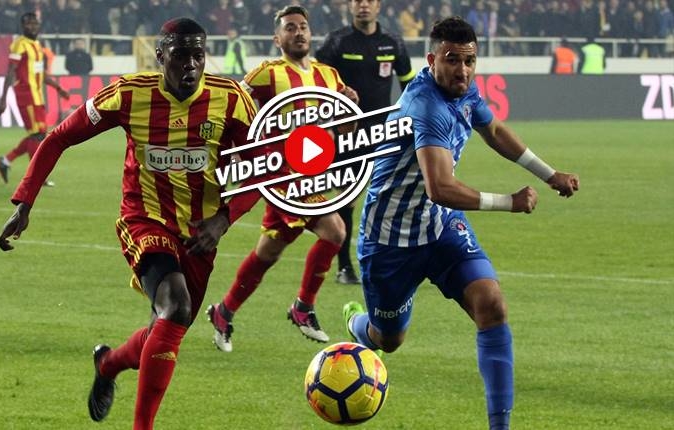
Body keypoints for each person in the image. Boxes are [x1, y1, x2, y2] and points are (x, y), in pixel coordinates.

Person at [0, 18, 260, 429]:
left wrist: (224, 219)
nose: (191, 64)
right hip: (144, 219)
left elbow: (265, 168)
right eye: (181, 55)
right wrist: (24, 202)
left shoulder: (232, 100)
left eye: (198, 55)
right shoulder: (129, 94)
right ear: (161, 56)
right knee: (176, 305)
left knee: (167, 327)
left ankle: (109, 364)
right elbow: (59, 136)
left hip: (200, 232)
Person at [343, 17, 579, 430]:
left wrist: (549, 174)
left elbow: (495, 131)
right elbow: (440, 187)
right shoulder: (425, 106)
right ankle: (358, 324)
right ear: (432, 60)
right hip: (390, 239)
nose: (463, 70)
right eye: (452, 60)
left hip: (440, 228)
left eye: (470, 61)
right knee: (389, 340)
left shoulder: (464, 90)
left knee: (492, 305)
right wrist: (509, 202)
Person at [206, 5, 359, 353]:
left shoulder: (329, 76)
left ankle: (223, 312)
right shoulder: (267, 74)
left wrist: (350, 104)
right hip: (278, 176)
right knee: (335, 231)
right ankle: (303, 307)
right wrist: (240, 151)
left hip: (311, 175)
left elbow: (345, 128)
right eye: (290, 28)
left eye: (303, 26)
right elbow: (233, 105)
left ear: (311, 33)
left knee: (269, 252)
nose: (298, 32)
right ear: (277, 39)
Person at [315, 0, 415, 285]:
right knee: (347, 199)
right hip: (348, 135)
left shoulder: (393, 43)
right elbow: (316, 86)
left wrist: (410, 123)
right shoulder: (336, 42)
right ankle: (344, 267)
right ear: (350, 6)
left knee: (394, 199)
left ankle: (394, 263)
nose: (363, 5)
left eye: (369, 0)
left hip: (384, 134)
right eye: (357, 1)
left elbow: (410, 87)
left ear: (378, 6)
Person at [0, 12, 70, 187]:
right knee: (38, 135)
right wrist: (3, 99)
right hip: (26, 95)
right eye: (29, 23)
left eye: (35, 23)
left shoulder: (37, 45)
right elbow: (10, 71)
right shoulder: (19, 44)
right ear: (23, 26)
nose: (32, 26)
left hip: (37, 96)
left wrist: (58, 88)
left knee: (38, 135)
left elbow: (40, 73)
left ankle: (5, 160)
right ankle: (36, 177)